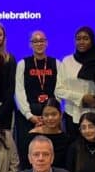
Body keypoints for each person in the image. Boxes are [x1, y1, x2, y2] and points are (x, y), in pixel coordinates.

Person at [14, 30, 60, 159]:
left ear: (46, 43)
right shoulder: (22, 64)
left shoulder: (56, 63)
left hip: (51, 116)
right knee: (27, 152)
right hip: (28, 115)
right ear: (30, 44)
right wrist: (29, 115)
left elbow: (59, 90)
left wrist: (50, 116)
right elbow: (19, 91)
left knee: (49, 152)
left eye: (42, 40)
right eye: (35, 41)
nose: (39, 43)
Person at [54, 26, 95, 139]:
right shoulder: (67, 61)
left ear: (92, 41)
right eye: (78, 39)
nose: (81, 42)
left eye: (86, 38)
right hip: (73, 115)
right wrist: (81, 98)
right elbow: (58, 90)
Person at [24, 98, 70, 170]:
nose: (50, 118)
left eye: (54, 114)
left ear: (61, 115)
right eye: (46, 115)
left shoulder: (66, 139)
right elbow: (26, 163)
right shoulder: (32, 136)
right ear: (42, 117)